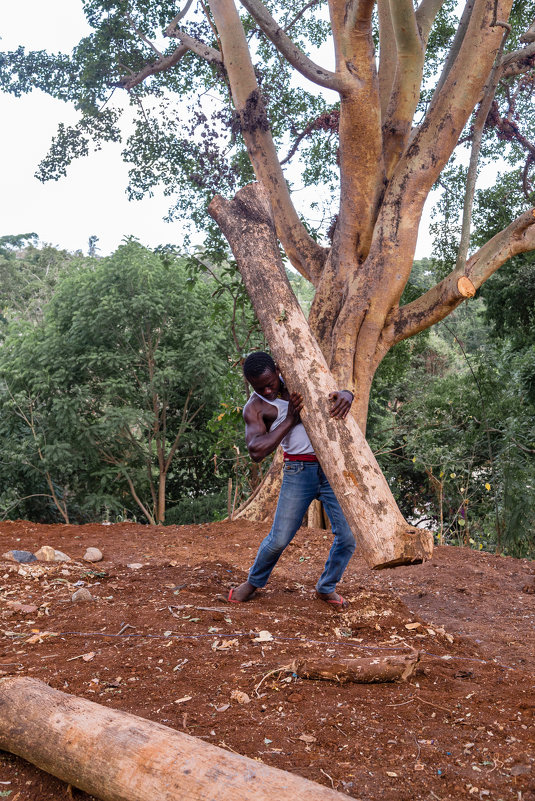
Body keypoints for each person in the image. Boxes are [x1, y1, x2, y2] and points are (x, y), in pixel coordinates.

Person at [228, 351, 356, 609]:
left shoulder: (299, 379)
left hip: (331, 468)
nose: (266, 390)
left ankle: (326, 587)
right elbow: (256, 451)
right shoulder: (256, 407)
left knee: (348, 536)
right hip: (299, 470)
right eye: (259, 387)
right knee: (279, 538)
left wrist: (347, 395)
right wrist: (289, 420)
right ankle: (252, 583)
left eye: (270, 383)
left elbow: (333, 390)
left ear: (278, 370)